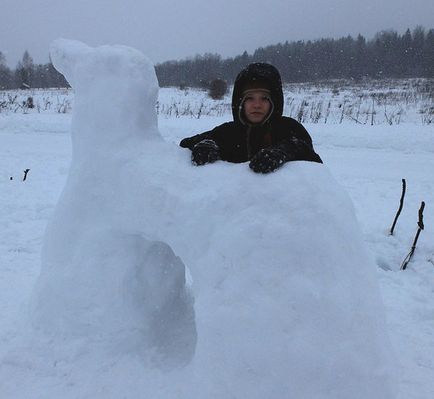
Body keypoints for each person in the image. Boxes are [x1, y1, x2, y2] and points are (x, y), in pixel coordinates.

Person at [179, 63, 322, 173]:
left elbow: (312, 160)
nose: (257, 105)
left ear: (274, 102)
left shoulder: (289, 128)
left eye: (264, 99)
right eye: (250, 99)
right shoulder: (228, 131)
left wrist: (283, 152)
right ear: (240, 102)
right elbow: (185, 144)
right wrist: (207, 144)